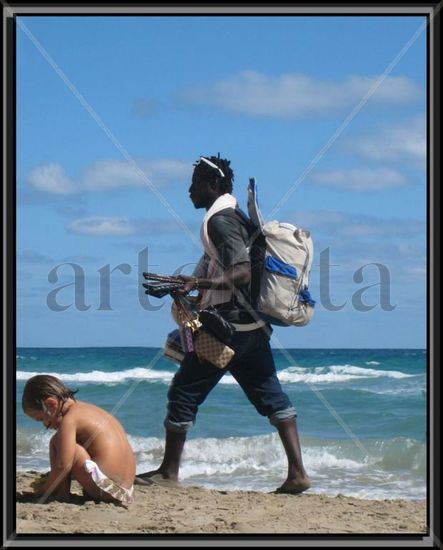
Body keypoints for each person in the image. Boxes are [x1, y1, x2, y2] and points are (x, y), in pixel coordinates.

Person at [136, 155, 311, 494]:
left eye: (196, 183)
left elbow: (242, 272)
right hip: (253, 329)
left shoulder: (221, 221)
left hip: (229, 329)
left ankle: (169, 473)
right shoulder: (235, 218)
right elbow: (228, 267)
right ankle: (298, 474)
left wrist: (198, 285)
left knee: (184, 392)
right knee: (271, 396)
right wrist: (186, 282)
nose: (189, 191)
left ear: (213, 185)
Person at [22, 374, 136, 506]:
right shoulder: (92, 410)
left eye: (41, 419)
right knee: (68, 446)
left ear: (51, 404)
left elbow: (63, 465)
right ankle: (60, 490)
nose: (44, 425)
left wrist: (45, 488)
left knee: (57, 441)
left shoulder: (70, 419)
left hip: (107, 490)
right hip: (126, 492)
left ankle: (61, 494)